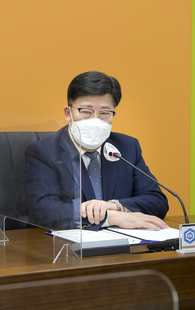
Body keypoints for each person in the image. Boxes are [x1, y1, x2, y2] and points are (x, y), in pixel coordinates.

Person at [25, 71, 169, 230]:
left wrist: (115, 206)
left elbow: (157, 201)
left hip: (124, 242)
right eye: (86, 111)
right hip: (69, 243)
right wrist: (109, 217)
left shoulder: (127, 147)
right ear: (68, 113)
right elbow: (44, 210)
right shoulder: (44, 152)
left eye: (104, 113)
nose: (95, 120)